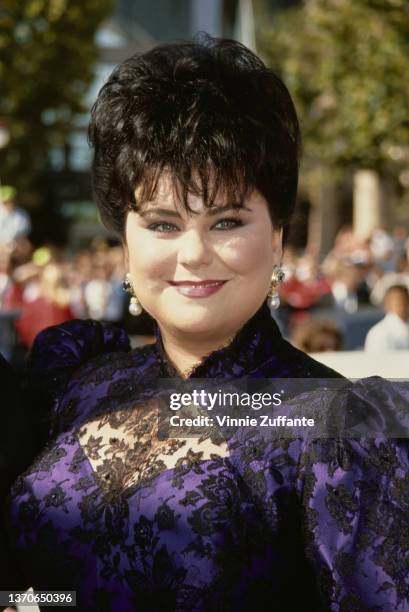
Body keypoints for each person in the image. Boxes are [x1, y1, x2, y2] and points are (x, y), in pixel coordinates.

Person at [1, 35, 409, 611]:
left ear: (277, 240)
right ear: (124, 244)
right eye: (163, 224)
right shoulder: (79, 382)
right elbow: (44, 593)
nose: (192, 253)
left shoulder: (338, 431)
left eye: (226, 221)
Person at [364, 284, 409, 351]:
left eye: (404, 301)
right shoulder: (378, 333)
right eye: (396, 302)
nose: (402, 306)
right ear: (386, 304)